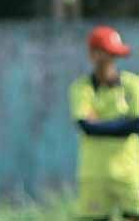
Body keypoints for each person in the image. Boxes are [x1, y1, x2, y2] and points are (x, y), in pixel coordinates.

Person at [70, 25, 139, 221]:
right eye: (107, 54)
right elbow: (87, 127)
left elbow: (137, 125)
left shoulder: (132, 84)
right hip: (94, 174)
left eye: (113, 55)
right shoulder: (81, 88)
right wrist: (123, 123)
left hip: (129, 171)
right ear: (94, 55)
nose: (111, 61)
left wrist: (102, 124)